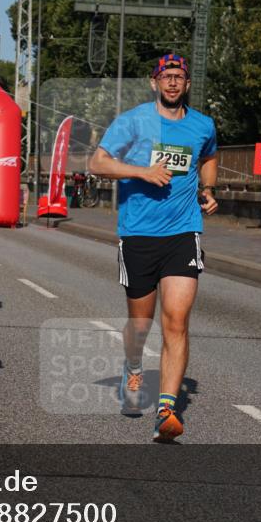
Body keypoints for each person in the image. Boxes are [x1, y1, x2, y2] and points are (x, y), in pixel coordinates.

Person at [88, 54, 218, 443]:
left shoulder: (202, 125)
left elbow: (209, 156)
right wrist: (141, 171)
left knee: (176, 321)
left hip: (183, 231)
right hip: (139, 233)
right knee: (141, 324)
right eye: (167, 77)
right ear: (154, 82)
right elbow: (97, 162)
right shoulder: (133, 121)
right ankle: (133, 365)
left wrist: (207, 190)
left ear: (188, 84)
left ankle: (166, 409)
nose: (173, 83)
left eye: (179, 77)